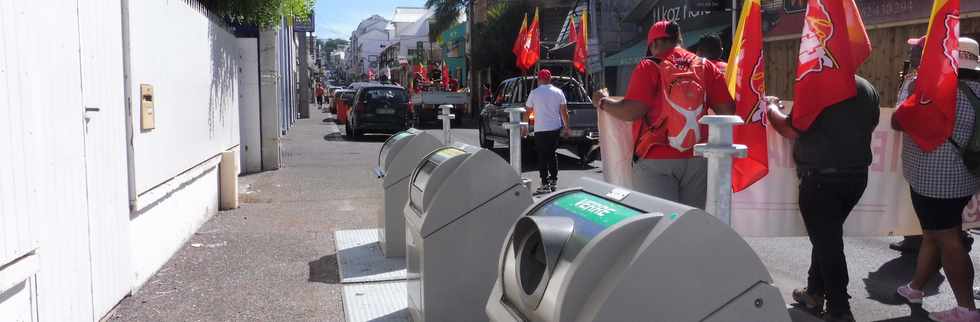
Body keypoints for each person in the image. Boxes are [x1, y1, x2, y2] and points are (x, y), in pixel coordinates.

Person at [767, 76, 880, 322]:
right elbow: (870, 127)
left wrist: (771, 107)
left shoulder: (817, 85)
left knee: (828, 244)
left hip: (821, 179)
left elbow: (789, 128)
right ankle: (815, 292)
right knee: (827, 237)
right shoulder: (867, 87)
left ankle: (839, 308)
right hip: (856, 177)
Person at [591, 20, 734, 208]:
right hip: (697, 157)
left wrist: (603, 102)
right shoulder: (705, 67)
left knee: (660, 225)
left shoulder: (649, 66)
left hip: (655, 157)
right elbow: (728, 111)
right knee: (688, 224)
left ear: (655, 43)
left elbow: (632, 111)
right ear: (679, 39)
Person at [894, 37, 980, 322]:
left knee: (948, 238)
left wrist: (910, 87)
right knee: (933, 233)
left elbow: (898, 121)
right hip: (966, 177)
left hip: (931, 179)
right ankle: (916, 287)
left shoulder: (924, 86)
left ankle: (966, 309)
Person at [526, 69, 571, 194]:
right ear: (550, 78)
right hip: (555, 128)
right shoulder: (559, 92)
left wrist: (525, 126)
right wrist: (567, 127)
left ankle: (544, 183)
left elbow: (528, 111)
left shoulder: (534, 93)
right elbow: (564, 111)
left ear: (539, 79)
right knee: (551, 154)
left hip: (540, 129)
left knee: (542, 155)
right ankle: (554, 181)